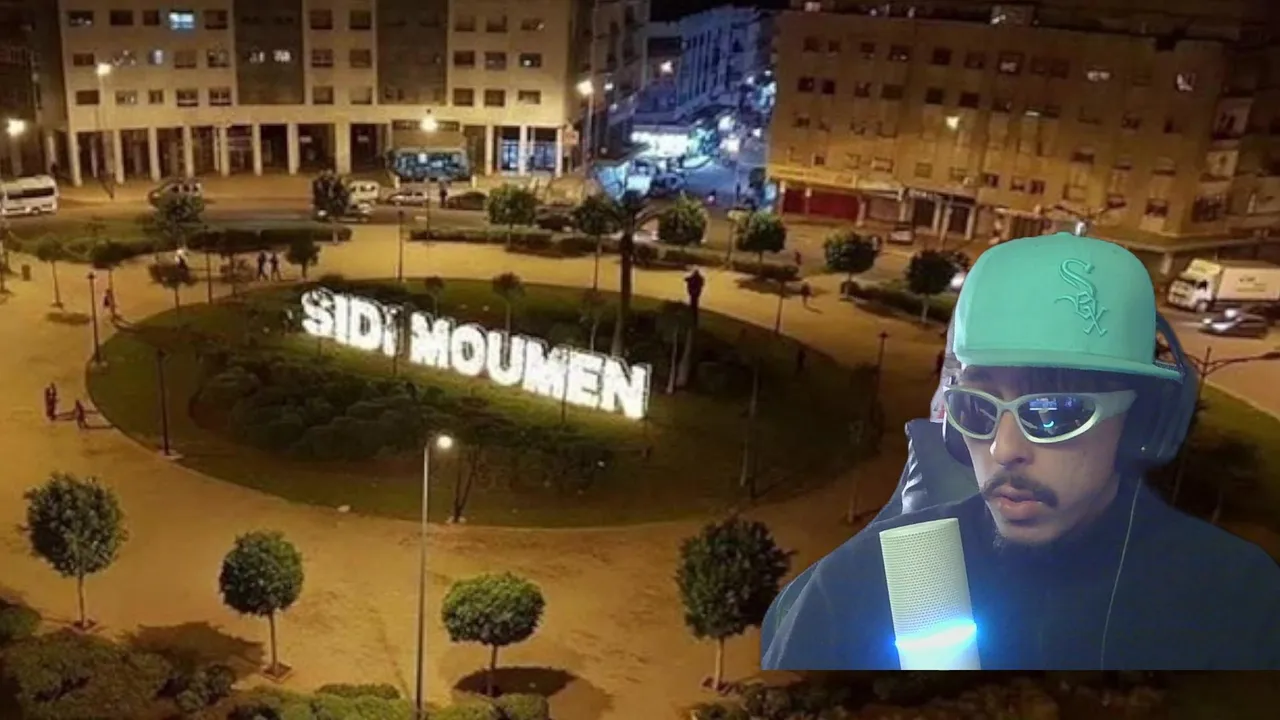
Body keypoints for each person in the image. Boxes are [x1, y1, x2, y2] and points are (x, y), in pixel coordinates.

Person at [761, 232, 1280, 670]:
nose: (1004, 449)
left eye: (1054, 412)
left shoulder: (1239, 598)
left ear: (1139, 420)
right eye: (978, 408)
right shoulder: (874, 579)